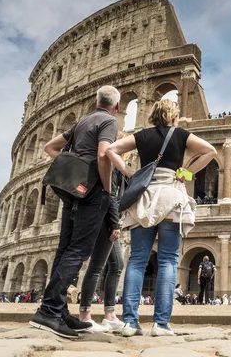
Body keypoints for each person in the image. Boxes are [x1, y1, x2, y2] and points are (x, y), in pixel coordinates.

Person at [106, 98, 216, 337]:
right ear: (174, 117)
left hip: (145, 196)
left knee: (136, 261)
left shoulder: (142, 136)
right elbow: (210, 151)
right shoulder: (180, 135)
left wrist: (127, 171)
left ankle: (130, 323)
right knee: (168, 261)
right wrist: (187, 173)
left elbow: (111, 150)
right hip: (171, 196)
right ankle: (160, 324)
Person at [29, 86, 121, 339]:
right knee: (79, 250)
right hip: (91, 191)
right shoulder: (109, 121)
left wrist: (69, 166)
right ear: (116, 105)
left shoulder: (82, 121)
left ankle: (57, 311)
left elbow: (50, 147)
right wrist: (105, 187)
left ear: (95, 100)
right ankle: (48, 312)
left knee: (65, 248)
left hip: (71, 191)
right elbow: (104, 155)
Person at [78, 135, 128, 332]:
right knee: (97, 267)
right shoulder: (111, 163)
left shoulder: (110, 163)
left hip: (104, 218)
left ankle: (109, 315)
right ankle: (84, 316)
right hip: (104, 220)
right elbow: (111, 196)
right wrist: (115, 223)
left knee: (116, 265)